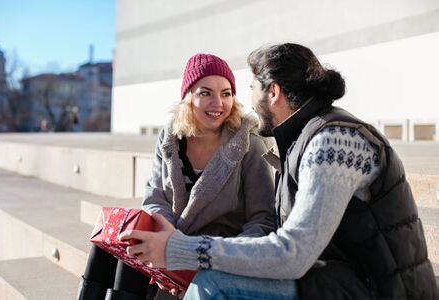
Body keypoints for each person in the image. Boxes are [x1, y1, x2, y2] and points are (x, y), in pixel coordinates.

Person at [120, 43, 439, 299]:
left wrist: (181, 251)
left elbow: (292, 253)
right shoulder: (305, 137)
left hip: (377, 288)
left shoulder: (334, 141)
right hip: (333, 274)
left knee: (212, 285)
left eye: (249, 89)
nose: (246, 101)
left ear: (272, 92)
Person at [76, 53, 276, 300]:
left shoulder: (248, 144)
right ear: (188, 96)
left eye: (226, 93)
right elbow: (155, 197)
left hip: (215, 254)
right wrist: (165, 238)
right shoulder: (171, 138)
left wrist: (187, 255)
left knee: (133, 262)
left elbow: (263, 220)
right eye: (206, 93)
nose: (218, 103)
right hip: (171, 244)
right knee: (112, 247)